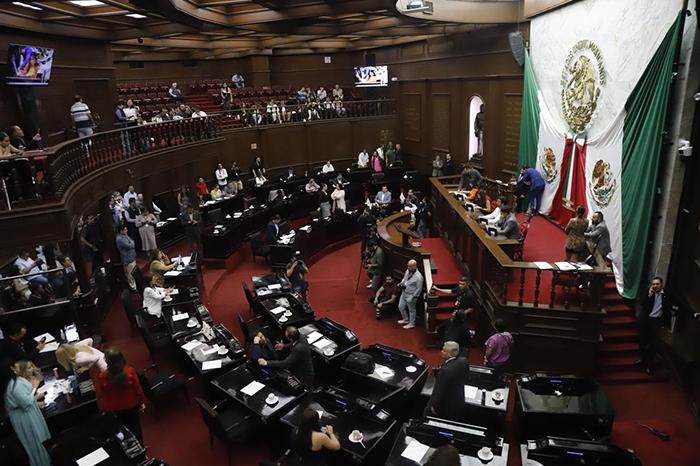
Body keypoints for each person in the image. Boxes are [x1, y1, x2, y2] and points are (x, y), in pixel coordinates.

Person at [1, 363, 51, 466]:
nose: (17, 364)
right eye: (14, 365)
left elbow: (20, 400)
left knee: (41, 438)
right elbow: (26, 402)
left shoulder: (15, 381)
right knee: (37, 441)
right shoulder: (14, 385)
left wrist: (35, 402)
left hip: (27, 412)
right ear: (11, 369)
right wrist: (34, 387)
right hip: (25, 416)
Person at [97, 348, 146, 445]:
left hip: (115, 408)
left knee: (121, 429)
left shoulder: (103, 376)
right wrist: (141, 402)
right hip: (132, 405)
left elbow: (100, 394)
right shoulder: (130, 371)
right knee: (135, 426)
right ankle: (140, 446)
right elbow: (138, 390)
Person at [637, 277, 674, 375]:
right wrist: (649, 296)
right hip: (646, 320)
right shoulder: (649, 292)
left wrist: (693, 313)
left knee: (654, 343)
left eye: (657, 284)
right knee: (642, 340)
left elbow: (680, 302)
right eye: (653, 284)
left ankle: (649, 363)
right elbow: (642, 304)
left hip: (656, 321)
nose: (655, 286)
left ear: (662, 284)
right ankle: (642, 358)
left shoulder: (667, 294)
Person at [426, 341, 470, 420]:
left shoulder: (445, 371)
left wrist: (433, 405)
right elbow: (466, 377)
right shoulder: (464, 361)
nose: (441, 352)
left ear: (450, 355)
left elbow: (440, 390)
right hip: (460, 400)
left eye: (444, 351)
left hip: (448, 407)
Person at [398, 259, 424, 329]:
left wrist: (413, 297)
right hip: (404, 292)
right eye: (408, 266)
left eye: (409, 266)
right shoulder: (408, 271)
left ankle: (412, 323)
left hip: (411, 295)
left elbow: (419, 289)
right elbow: (404, 278)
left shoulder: (419, 277)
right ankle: (405, 319)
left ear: (414, 266)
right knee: (401, 306)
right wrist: (401, 283)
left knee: (412, 310)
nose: (408, 268)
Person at [116, 224, 138, 291]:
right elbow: (129, 246)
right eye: (125, 230)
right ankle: (133, 287)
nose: (127, 231)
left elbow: (132, 241)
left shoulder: (125, 236)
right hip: (127, 258)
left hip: (132, 256)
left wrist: (131, 244)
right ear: (121, 231)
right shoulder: (119, 239)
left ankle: (136, 285)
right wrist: (131, 244)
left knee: (134, 271)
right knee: (129, 273)